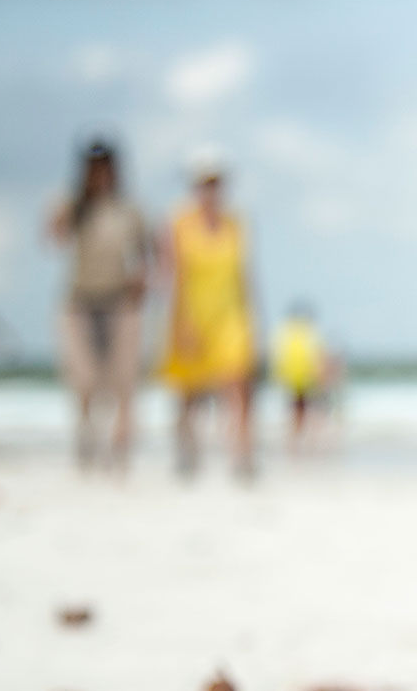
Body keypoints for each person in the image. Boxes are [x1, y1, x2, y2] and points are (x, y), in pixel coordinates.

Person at [49, 139, 152, 473]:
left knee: (124, 381)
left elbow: (151, 247)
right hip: (80, 301)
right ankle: (87, 438)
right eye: (94, 167)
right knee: (85, 379)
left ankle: (120, 450)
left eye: (106, 166)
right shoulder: (76, 206)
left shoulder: (128, 210)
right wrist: (76, 201)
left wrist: (143, 278)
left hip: (120, 302)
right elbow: (54, 234)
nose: (101, 174)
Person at [161, 155, 259, 479]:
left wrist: (253, 319)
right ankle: (187, 451)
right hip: (192, 314)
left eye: (216, 184)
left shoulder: (236, 224)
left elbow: (245, 275)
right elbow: (174, 276)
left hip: (231, 316)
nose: (211, 191)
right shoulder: (179, 223)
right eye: (205, 184)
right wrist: (179, 323)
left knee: (238, 386)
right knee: (189, 391)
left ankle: (242, 456)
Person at [271, 302, 333, 454]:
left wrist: (278, 374)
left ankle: (296, 438)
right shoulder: (309, 330)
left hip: (292, 374)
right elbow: (318, 351)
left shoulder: (285, 330)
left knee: (297, 406)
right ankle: (309, 438)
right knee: (311, 406)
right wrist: (322, 373)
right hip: (307, 373)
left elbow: (278, 353)